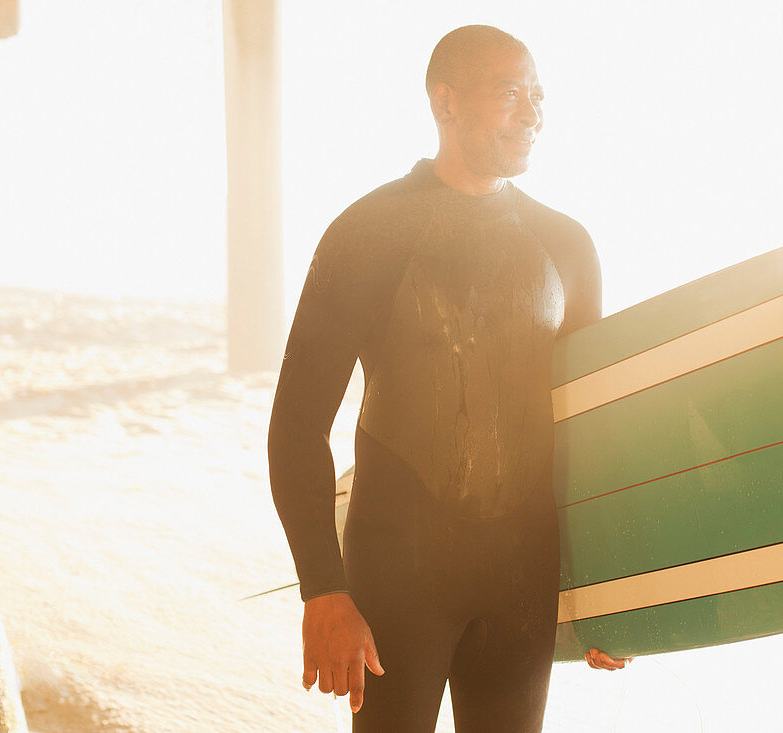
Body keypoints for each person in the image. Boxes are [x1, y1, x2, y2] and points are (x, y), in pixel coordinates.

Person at [269, 25, 627, 732]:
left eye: (538, 96)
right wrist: (323, 590)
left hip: (523, 578)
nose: (532, 114)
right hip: (398, 576)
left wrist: (616, 588)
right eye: (509, 94)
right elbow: (296, 427)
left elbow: (592, 432)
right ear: (446, 103)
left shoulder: (567, 245)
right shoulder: (367, 234)